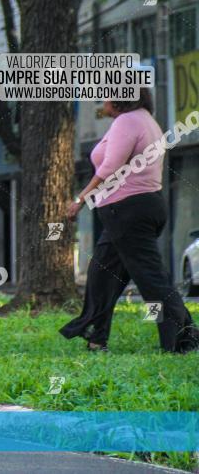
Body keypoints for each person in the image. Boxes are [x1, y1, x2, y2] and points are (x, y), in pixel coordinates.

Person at [61, 90, 199, 353]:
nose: (102, 103)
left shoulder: (128, 121)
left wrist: (80, 199)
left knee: (151, 279)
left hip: (128, 211)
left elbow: (110, 166)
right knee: (101, 275)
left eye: (106, 97)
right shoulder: (145, 119)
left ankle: (184, 340)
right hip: (133, 210)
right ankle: (96, 337)